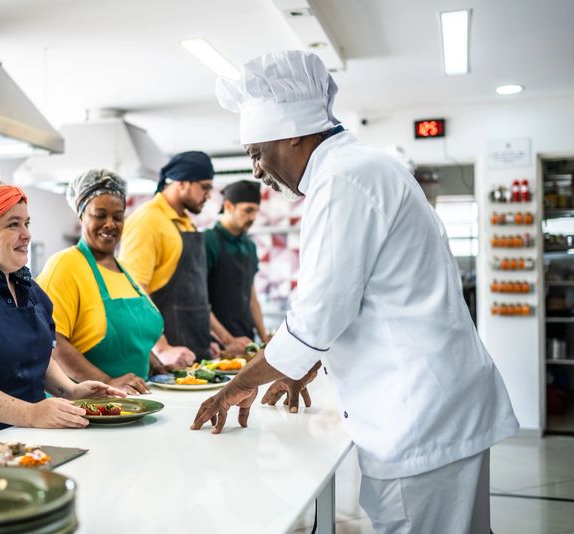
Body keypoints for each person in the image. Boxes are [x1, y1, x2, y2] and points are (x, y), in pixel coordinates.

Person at [191, 50, 519, 533]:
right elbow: (369, 299)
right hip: (436, 407)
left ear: (294, 133)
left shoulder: (344, 180)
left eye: (257, 153)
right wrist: (303, 366)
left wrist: (240, 384)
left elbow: (316, 319)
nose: (257, 171)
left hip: (417, 419)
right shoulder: (359, 169)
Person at [0, 179, 123, 453]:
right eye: (13, 224)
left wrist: (70, 390)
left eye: (26, 223)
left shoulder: (29, 289)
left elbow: (38, 357)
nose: (27, 234)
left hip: (27, 445)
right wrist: (31, 414)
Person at [38, 169, 192, 394]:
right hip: (87, 406)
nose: (110, 224)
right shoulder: (65, 265)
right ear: (82, 215)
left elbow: (131, 338)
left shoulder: (126, 271)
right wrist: (107, 382)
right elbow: (52, 343)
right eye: (100, 215)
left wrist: (155, 365)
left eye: (118, 216)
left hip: (133, 400)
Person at [119, 152, 249, 361]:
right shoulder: (147, 220)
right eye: (204, 187)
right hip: (165, 359)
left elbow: (196, 299)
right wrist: (162, 349)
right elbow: (133, 291)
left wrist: (225, 340)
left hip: (192, 351)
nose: (209, 194)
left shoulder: (185, 222)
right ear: (181, 183)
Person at [204, 180, 269, 344]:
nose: (253, 217)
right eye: (248, 211)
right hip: (215, 343)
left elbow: (251, 295)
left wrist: (265, 338)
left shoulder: (249, 245)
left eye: (256, 211)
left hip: (246, 339)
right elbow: (199, 300)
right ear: (228, 206)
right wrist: (228, 340)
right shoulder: (208, 240)